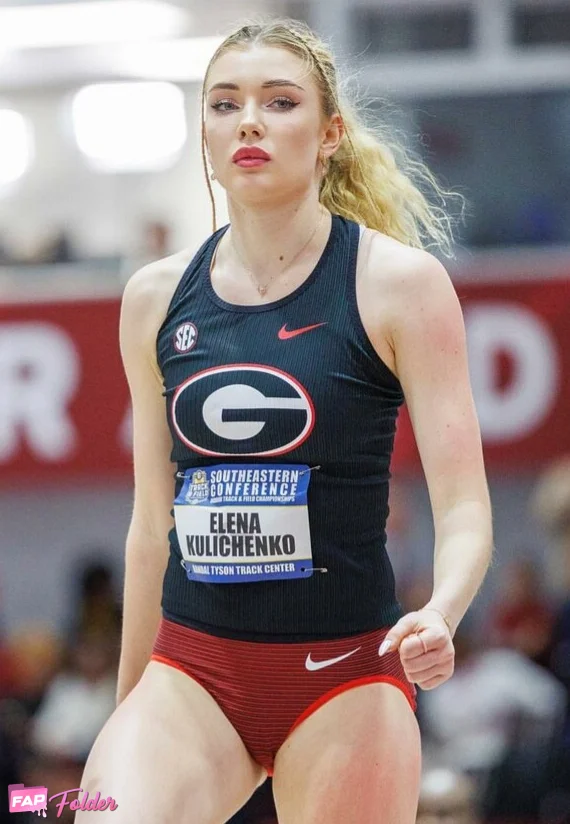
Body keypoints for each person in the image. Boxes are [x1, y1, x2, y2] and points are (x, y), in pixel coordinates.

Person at [75, 17, 492, 824]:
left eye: (279, 101)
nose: (249, 122)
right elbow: (151, 527)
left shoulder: (400, 285)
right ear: (205, 134)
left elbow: (467, 506)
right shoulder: (153, 298)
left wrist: (441, 612)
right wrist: (125, 713)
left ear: (330, 133)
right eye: (225, 104)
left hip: (347, 677)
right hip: (192, 674)